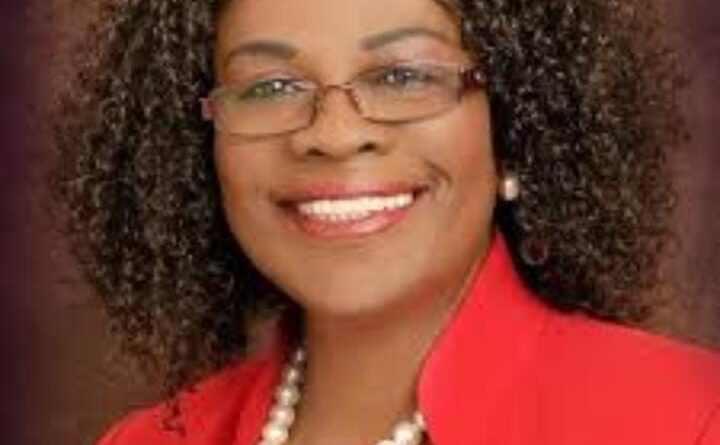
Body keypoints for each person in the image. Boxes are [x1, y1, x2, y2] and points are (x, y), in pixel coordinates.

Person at [52, 0, 720, 444]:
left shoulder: (689, 418)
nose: (335, 135)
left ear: (515, 123)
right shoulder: (148, 440)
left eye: (403, 77)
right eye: (271, 87)